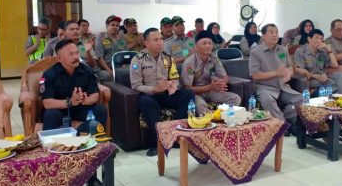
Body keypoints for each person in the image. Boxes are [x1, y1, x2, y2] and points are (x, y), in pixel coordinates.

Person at [130, 28, 194, 157]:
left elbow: (175, 78)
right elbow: (135, 85)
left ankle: (176, 133)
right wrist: (153, 89)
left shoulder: (168, 58)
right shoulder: (138, 60)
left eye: (161, 39)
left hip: (167, 94)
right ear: (146, 43)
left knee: (188, 94)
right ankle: (158, 142)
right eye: (155, 40)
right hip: (151, 95)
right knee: (145, 101)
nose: (160, 42)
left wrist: (173, 85)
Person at [40, 39, 108, 130]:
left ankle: (93, 140)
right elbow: (47, 103)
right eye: (70, 54)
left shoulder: (87, 71)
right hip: (59, 109)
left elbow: (95, 95)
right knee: (51, 114)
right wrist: (70, 102)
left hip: (81, 108)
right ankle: (52, 143)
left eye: (77, 53)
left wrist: (85, 100)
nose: (75, 57)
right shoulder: (49, 74)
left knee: (100, 110)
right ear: (59, 58)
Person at [249, 23, 302, 128]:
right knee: (267, 100)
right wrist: (276, 73)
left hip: (282, 87)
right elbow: (256, 75)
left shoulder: (282, 49)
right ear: (263, 36)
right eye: (271, 32)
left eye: (276, 32)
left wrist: (289, 73)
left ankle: (291, 121)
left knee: (302, 99)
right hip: (265, 87)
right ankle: (282, 126)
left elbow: (290, 67)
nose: (275, 35)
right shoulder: (256, 52)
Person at [181, 30, 241, 115]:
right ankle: (210, 123)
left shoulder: (213, 57)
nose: (208, 46)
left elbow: (225, 77)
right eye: (204, 43)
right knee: (200, 104)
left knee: (235, 98)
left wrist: (221, 83)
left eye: (210, 43)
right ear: (196, 47)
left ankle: (222, 117)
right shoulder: (189, 63)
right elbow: (187, 88)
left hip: (211, 90)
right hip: (196, 93)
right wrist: (210, 87)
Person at [294, 29, 342, 96]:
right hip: (309, 80)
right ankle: (340, 98)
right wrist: (316, 76)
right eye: (316, 38)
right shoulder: (300, 52)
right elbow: (300, 71)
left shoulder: (322, 51)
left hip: (323, 79)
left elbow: (335, 65)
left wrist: (329, 50)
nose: (319, 40)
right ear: (309, 39)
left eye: (321, 39)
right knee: (338, 86)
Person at [95, 15, 127, 82]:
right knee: (107, 75)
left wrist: (124, 67)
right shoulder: (100, 39)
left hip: (118, 67)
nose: (115, 27)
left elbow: (125, 56)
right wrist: (109, 70)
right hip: (103, 69)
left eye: (117, 25)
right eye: (112, 25)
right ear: (107, 26)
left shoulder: (122, 41)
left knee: (129, 71)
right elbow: (99, 58)